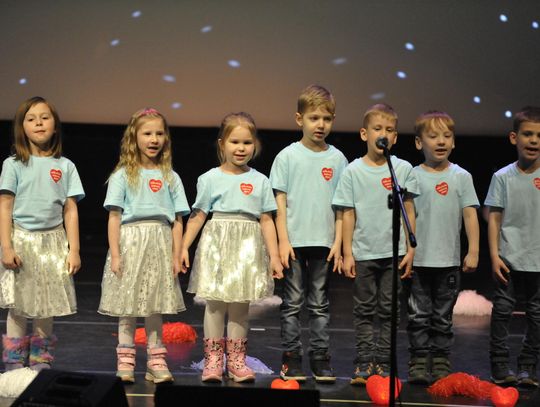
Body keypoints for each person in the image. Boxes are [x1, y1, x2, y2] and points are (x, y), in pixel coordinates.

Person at [181, 112, 283, 383]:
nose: (241, 148)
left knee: (240, 305)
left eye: (247, 142)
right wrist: (183, 247)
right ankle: (214, 360)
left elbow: (266, 219)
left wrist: (274, 256)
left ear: (255, 145)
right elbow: (198, 215)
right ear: (222, 144)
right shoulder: (209, 178)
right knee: (215, 304)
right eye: (234, 142)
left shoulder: (260, 180)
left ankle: (236, 360)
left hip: (247, 247)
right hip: (218, 244)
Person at [98, 108, 190, 384]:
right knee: (127, 306)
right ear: (134, 137)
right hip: (131, 242)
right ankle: (125, 361)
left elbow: (177, 221)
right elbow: (114, 217)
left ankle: (156, 361)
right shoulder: (123, 175)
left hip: (159, 243)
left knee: (154, 306)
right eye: (147, 133)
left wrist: (176, 254)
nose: (154, 139)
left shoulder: (171, 176)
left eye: (159, 133)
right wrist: (116, 254)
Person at [332, 103, 418, 385]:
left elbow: (409, 210)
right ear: (364, 134)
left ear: (395, 137)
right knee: (364, 309)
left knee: (390, 310)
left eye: (389, 130)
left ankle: (384, 361)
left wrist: (411, 248)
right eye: (377, 129)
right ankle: (364, 361)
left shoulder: (402, 169)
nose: (383, 134)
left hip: (394, 253)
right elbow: (348, 213)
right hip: (364, 252)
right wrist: (347, 252)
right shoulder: (353, 171)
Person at [269, 84, 347, 383]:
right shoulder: (287, 156)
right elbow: (279, 202)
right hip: (294, 242)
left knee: (319, 304)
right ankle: (291, 358)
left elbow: (342, 206)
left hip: (324, 242)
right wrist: (283, 241)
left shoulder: (337, 159)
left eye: (326, 119)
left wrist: (339, 242)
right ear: (299, 119)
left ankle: (320, 358)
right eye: (314, 118)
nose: (320, 125)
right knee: (292, 303)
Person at [0, 96, 85, 371]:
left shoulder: (66, 166)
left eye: (45, 117)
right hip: (21, 240)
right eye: (31, 118)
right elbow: (5, 206)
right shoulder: (13, 164)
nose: (38, 123)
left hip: (53, 243)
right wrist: (6, 246)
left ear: (55, 126)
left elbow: (70, 210)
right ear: (22, 127)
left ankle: (40, 361)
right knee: (18, 306)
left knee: (46, 306)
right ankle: (14, 364)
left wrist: (74, 249)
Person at [406, 111, 480, 384]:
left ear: (454, 141)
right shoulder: (412, 176)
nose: (441, 141)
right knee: (418, 314)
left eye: (447, 136)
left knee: (443, 316)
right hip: (419, 260)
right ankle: (418, 360)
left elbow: (470, 214)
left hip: (448, 260)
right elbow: (407, 216)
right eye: (433, 136)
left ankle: (440, 359)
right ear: (419, 142)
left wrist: (474, 250)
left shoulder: (461, 176)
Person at [486, 106, 540, 387]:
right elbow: (494, 218)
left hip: (538, 260)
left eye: (539, 136)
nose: (534, 140)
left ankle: (528, 366)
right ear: (514, 138)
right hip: (508, 257)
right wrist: (494, 255)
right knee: (502, 312)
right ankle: (500, 365)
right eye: (528, 134)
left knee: (537, 315)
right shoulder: (503, 177)